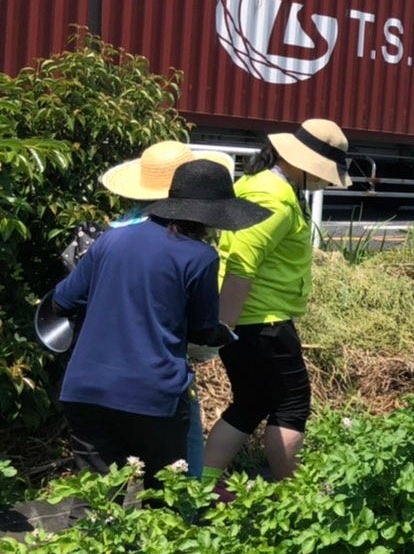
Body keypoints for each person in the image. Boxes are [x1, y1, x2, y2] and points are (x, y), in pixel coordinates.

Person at [50, 161, 269, 488]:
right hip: (151, 396)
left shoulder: (110, 241)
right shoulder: (199, 257)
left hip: (86, 390)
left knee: (96, 501)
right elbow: (202, 329)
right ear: (210, 216)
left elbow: (62, 301)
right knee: (164, 500)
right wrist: (223, 333)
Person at [204, 118, 351, 484]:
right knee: (292, 405)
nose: (323, 181)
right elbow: (241, 261)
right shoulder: (273, 197)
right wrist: (224, 328)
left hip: (250, 320)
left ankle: (201, 483)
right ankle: (293, 492)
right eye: (322, 173)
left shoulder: (259, 184)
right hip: (262, 322)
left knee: (251, 402)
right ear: (301, 162)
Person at [99, 139, 237, 478]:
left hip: (102, 367)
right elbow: (194, 320)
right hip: (157, 371)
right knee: (178, 473)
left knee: (104, 487)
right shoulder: (181, 239)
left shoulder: (115, 229)